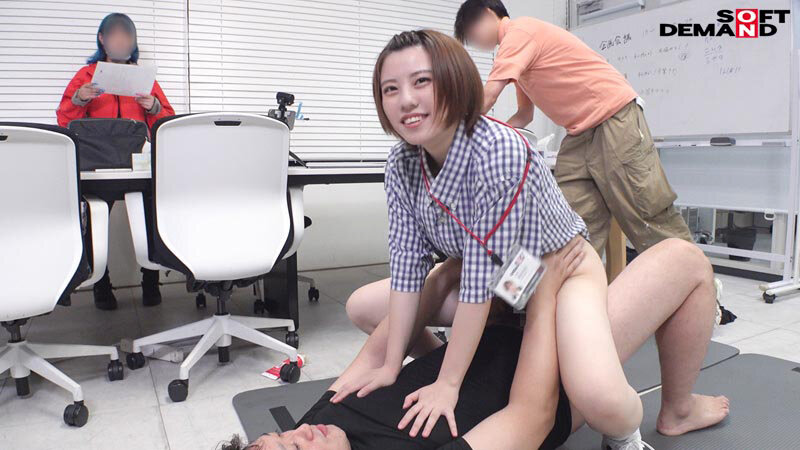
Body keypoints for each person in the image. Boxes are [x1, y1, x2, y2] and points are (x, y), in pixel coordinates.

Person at [335, 29, 647, 449]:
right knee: (364, 307)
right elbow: (408, 266)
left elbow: (483, 284)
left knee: (601, 399)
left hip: (556, 269)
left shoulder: (500, 150)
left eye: (421, 81)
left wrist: (449, 385)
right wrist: (391, 365)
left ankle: (627, 436)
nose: (405, 100)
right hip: (499, 280)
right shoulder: (401, 163)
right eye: (390, 89)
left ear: (456, 81)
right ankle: (455, 356)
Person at [219, 238, 730, 449]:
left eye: (274, 441)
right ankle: (678, 410)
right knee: (683, 259)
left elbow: (378, 349)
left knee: (367, 305)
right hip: (553, 368)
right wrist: (545, 294)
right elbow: (532, 414)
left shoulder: (317, 427)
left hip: (490, 332)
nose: (298, 435)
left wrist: (453, 268)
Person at [453, 0, 693, 259]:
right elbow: (524, 115)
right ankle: (579, 282)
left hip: (613, 117)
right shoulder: (519, 55)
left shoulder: (519, 33)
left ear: (488, 14)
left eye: (471, 35)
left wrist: (453, 132)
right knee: (568, 223)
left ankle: (696, 280)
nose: (474, 43)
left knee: (644, 210)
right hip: (579, 134)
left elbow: (489, 96)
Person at [56, 13, 175, 310]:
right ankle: (100, 284)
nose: (122, 41)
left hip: (137, 163)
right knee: (92, 216)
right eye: (115, 36)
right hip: (100, 165)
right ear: (102, 39)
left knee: (154, 209)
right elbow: (64, 121)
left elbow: (167, 123)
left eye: (127, 37)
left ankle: (151, 280)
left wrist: (154, 106)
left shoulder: (143, 78)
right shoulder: (86, 75)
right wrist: (79, 100)